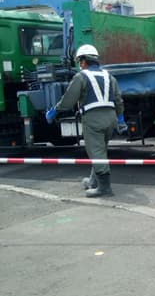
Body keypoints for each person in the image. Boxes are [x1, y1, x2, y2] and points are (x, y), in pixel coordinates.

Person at [46, 44, 126, 197]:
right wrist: (121, 119)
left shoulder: (81, 77)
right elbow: (118, 100)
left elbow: (68, 100)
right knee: (100, 150)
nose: (79, 64)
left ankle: (105, 188)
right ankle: (93, 181)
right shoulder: (109, 76)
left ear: (84, 61)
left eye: (79, 61)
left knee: (96, 151)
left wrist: (54, 111)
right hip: (110, 118)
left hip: (93, 119)